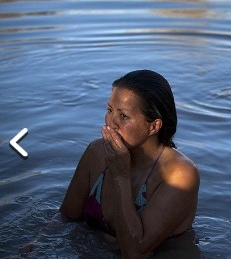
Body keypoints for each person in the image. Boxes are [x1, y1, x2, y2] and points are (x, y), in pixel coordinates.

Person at [60, 69, 200, 258]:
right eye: (109, 110)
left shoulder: (180, 174)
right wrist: (37, 243)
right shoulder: (96, 152)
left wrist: (121, 175)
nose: (111, 123)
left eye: (123, 116)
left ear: (154, 126)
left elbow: (133, 252)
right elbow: (67, 217)